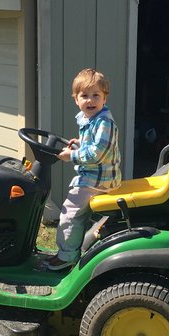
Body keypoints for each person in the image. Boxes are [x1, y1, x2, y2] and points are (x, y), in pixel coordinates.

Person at [44, 68, 122, 271]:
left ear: (104, 98)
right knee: (75, 211)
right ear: (76, 99)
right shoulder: (91, 118)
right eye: (84, 95)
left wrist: (71, 156)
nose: (90, 100)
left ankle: (67, 257)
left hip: (99, 179)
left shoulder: (104, 122)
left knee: (69, 212)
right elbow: (93, 144)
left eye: (96, 95)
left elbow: (98, 153)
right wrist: (80, 144)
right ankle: (72, 248)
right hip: (97, 176)